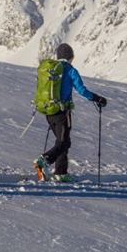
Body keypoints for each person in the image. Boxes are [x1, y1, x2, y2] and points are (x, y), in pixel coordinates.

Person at [34, 43, 107, 182]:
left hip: (48, 111)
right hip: (62, 112)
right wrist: (97, 98)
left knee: (62, 141)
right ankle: (44, 160)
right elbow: (82, 90)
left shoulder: (51, 70)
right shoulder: (70, 70)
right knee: (64, 142)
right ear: (70, 57)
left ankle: (61, 173)